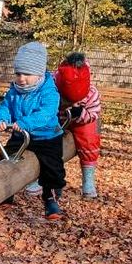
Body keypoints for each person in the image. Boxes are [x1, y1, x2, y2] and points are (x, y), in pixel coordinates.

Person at [0, 41, 66, 220]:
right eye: (18, 73)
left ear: (39, 74)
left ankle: (50, 198)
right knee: (5, 160)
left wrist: (25, 122)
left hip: (46, 136)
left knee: (53, 167)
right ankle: (5, 195)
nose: (21, 78)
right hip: (21, 135)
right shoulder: (15, 90)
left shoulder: (49, 92)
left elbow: (46, 114)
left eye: (27, 74)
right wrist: (1, 119)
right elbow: (5, 106)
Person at [54, 52, 102, 198]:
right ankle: (53, 179)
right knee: (47, 141)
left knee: (89, 139)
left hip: (82, 121)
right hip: (56, 118)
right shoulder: (51, 87)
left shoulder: (91, 93)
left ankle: (88, 179)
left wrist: (80, 113)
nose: (71, 104)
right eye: (67, 100)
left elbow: (94, 113)